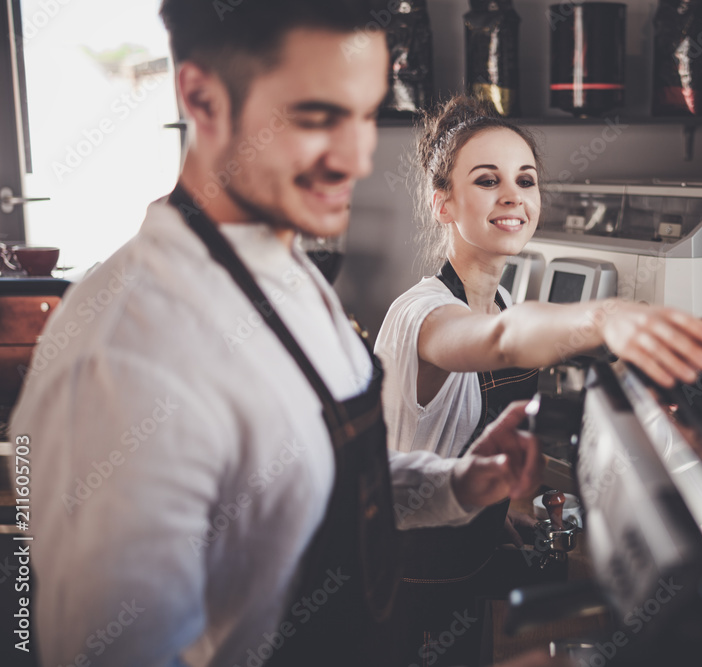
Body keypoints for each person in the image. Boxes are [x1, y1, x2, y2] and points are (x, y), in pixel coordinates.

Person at [9, 3, 559, 666]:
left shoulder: (291, 280)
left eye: (363, 112)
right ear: (202, 97)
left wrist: (459, 483)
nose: (357, 158)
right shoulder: (124, 352)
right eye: (317, 115)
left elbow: (313, 481)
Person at [372, 95, 702, 664]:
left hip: (464, 560)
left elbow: (507, 342)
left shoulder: (505, 298)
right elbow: (503, 339)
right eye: (487, 180)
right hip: (411, 581)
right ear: (443, 204)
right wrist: (607, 316)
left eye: (526, 180)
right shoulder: (421, 314)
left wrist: (504, 510)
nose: (513, 195)